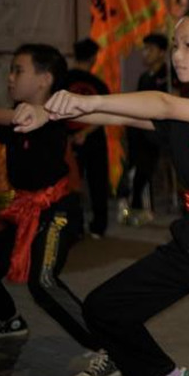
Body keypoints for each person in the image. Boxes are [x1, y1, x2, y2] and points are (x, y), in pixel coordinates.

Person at [16, 6, 189, 376]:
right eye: (176, 45)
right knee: (104, 309)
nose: (177, 54)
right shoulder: (178, 113)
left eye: (188, 45)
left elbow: (161, 105)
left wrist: (90, 100)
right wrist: (50, 113)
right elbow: (123, 117)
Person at [0, 44, 120, 376]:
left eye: (18, 70)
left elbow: (103, 115)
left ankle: (108, 347)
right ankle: (9, 320)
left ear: (44, 79)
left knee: (43, 281)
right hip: (26, 214)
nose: (9, 77)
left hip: (58, 213)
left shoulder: (58, 114)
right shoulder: (16, 115)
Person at [67, 39, 110, 238]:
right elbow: (107, 114)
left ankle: (74, 226)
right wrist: (86, 132)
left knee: (72, 184)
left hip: (69, 140)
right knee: (97, 183)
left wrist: (75, 134)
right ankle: (98, 226)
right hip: (94, 140)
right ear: (93, 57)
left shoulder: (62, 80)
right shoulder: (98, 84)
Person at [124, 33, 169, 217]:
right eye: (145, 49)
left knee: (145, 163)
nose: (146, 53)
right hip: (140, 130)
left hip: (159, 131)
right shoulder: (144, 77)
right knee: (136, 163)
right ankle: (138, 204)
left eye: (150, 49)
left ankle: (138, 205)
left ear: (161, 52)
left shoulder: (168, 76)